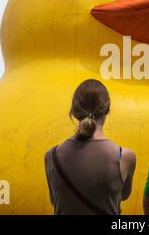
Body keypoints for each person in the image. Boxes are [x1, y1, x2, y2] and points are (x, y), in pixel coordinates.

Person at [44, 79, 136, 215]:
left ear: (74, 111)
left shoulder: (51, 155)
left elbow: (54, 200)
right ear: (107, 109)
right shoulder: (124, 156)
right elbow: (123, 195)